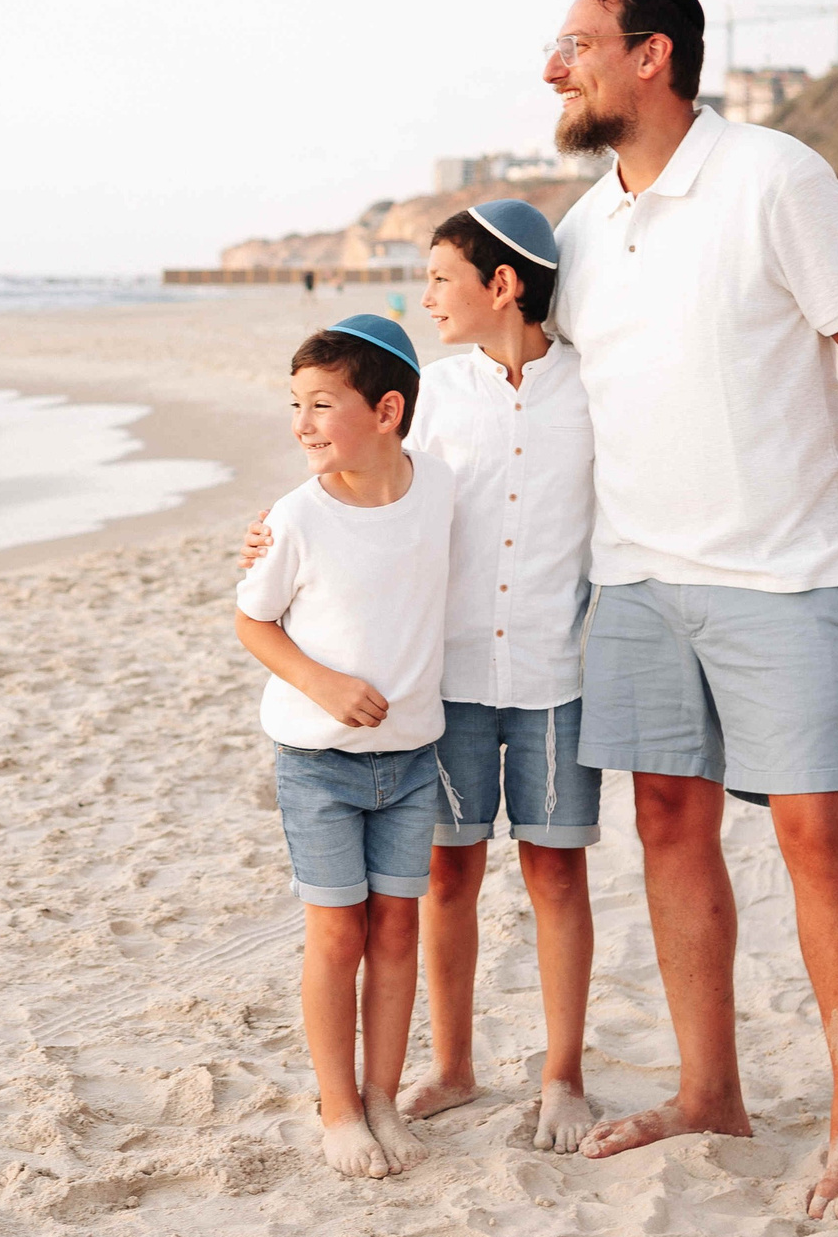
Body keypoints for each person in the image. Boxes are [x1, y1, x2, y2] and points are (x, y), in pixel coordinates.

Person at [545, 0, 838, 1222]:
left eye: (579, 45)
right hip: (638, 577)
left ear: (651, 57)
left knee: (819, 838)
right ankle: (711, 1091)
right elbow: (531, 398)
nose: (559, 67)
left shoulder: (773, 175)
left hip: (786, 568)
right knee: (665, 824)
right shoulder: (584, 229)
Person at [243, 200, 599, 1152]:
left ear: (504, 285)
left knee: (557, 868)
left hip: (554, 670)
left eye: (441, 277)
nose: (428, 294)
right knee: (448, 873)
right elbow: (358, 480)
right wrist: (277, 530)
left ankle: (563, 1074)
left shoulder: (591, 388)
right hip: (442, 682)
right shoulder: (433, 392)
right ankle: (451, 1065)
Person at [233, 316, 456, 1180]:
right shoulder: (295, 516)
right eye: (296, 404)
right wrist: (322, 683)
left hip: (409, 761)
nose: (302, 422)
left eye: (323, 404)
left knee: (397, 930)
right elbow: (253, 620)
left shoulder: (438, 488)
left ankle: (383, 1099)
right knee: (337, 936)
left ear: (388, 410)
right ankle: (337, 1109)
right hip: (318, 764)